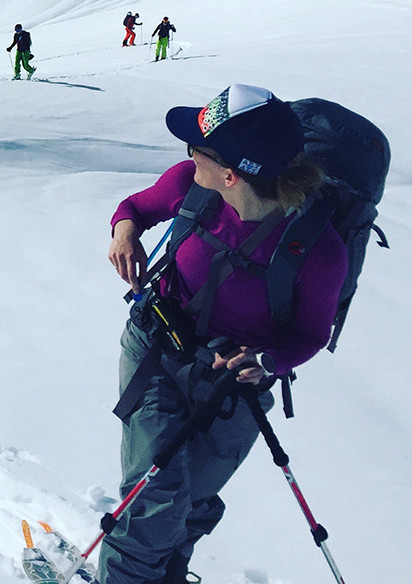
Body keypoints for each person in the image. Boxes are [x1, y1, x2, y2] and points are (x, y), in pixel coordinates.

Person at [102, 84, 348, 584]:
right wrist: (124, 231)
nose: (188, 155)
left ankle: (167, 575)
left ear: (231, 174)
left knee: (192, 498)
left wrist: (269, 362)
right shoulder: (190, 184)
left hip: (234, 385)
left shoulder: (317, 251)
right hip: (156, 348)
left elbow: (309, 333)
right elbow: (136, 207)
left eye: (197, 147)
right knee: (154, 499)